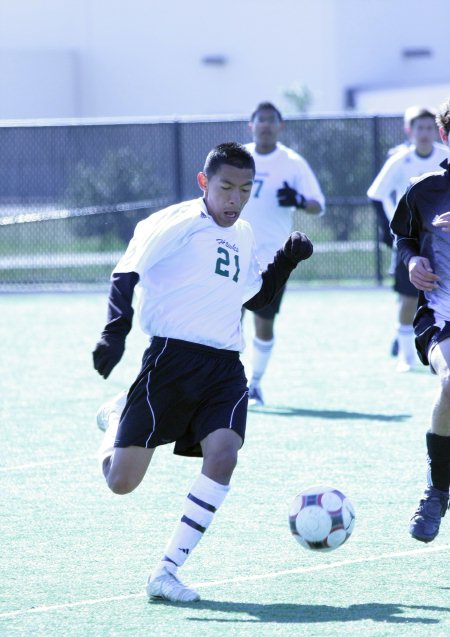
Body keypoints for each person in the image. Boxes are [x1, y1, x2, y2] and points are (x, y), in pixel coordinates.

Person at [92, 142, 313, 602]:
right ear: (204, 183)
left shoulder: (245, 232)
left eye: (245, 189)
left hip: (225, 367)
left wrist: (286, 262)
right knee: (122, 482)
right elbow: (125, 272)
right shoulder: (175, 224)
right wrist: (115, 333)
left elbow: (254, 298)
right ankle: (115, 419)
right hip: (170, 362)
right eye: (226, 187)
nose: (234, 199)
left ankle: (166, 571)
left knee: (225, 454)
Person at [390, 97, 450, 543]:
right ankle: (437, 489)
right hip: (442, 314)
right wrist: (412, 262)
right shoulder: (424, 189)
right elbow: (404, 237)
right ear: (446, 136)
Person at [243, 101, 325, 406]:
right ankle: (226, 383)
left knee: (264, 322)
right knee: (223, 318)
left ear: (281, 126)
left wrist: (300, 200)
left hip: (273, 260)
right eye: (259, 120)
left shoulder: (292, 162)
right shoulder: (238, 156)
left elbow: (318, 204)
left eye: (271, 120)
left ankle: (255, 383)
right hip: (230, 251)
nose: (265, 125)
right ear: (250, 126)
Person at [367, 106, 448, 372]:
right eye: (419, 128)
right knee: (408, 296)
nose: (424, 133)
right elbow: (376, 194)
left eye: (427, 127)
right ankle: (406, 353)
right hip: (416, 238)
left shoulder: (442, 155)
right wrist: (397, 233)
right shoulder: (403, 164)